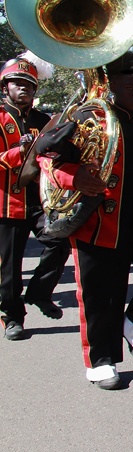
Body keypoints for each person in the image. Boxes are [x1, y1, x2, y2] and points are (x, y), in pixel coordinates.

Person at [36, 50, 133, 389]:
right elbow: (48, 160)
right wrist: (74, 177)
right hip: (98, 218)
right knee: (100, 294)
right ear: (112, 84)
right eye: (130, 87)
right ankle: (101, 361)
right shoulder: (87, 117)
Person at [0, 52, 71, 340]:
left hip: (40, 201)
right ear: (5, 87)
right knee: (8, 270)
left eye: (29, 84)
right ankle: (12, 317)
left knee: (60, 241)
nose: (23, 88)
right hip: (6, 203)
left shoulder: (44, 120)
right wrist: (20, 151)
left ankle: (40, 292)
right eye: (17, 83)